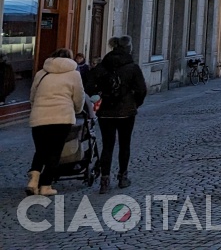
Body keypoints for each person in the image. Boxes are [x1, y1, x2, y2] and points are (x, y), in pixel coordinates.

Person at [89, 35, 148, 194]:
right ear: (128, 49)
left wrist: (98, 98)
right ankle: (122, 177)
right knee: (124, 144)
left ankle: (104, 180)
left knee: (107, 145)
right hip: (126, 111)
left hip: (105, 111)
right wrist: (135, 103)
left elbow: (89, 86)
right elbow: (142, 89)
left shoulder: (102, 66)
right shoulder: (132, 67)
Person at [26, 48, 84, 196]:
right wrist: (77, 110)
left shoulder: (41, 73)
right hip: (62, 118)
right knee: (55, 152)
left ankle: (33, 180)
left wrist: (36, 108)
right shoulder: (74, 74)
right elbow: (79, 97)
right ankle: (45, 185)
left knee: (41, 150)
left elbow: (32, 95)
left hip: (39, 117)